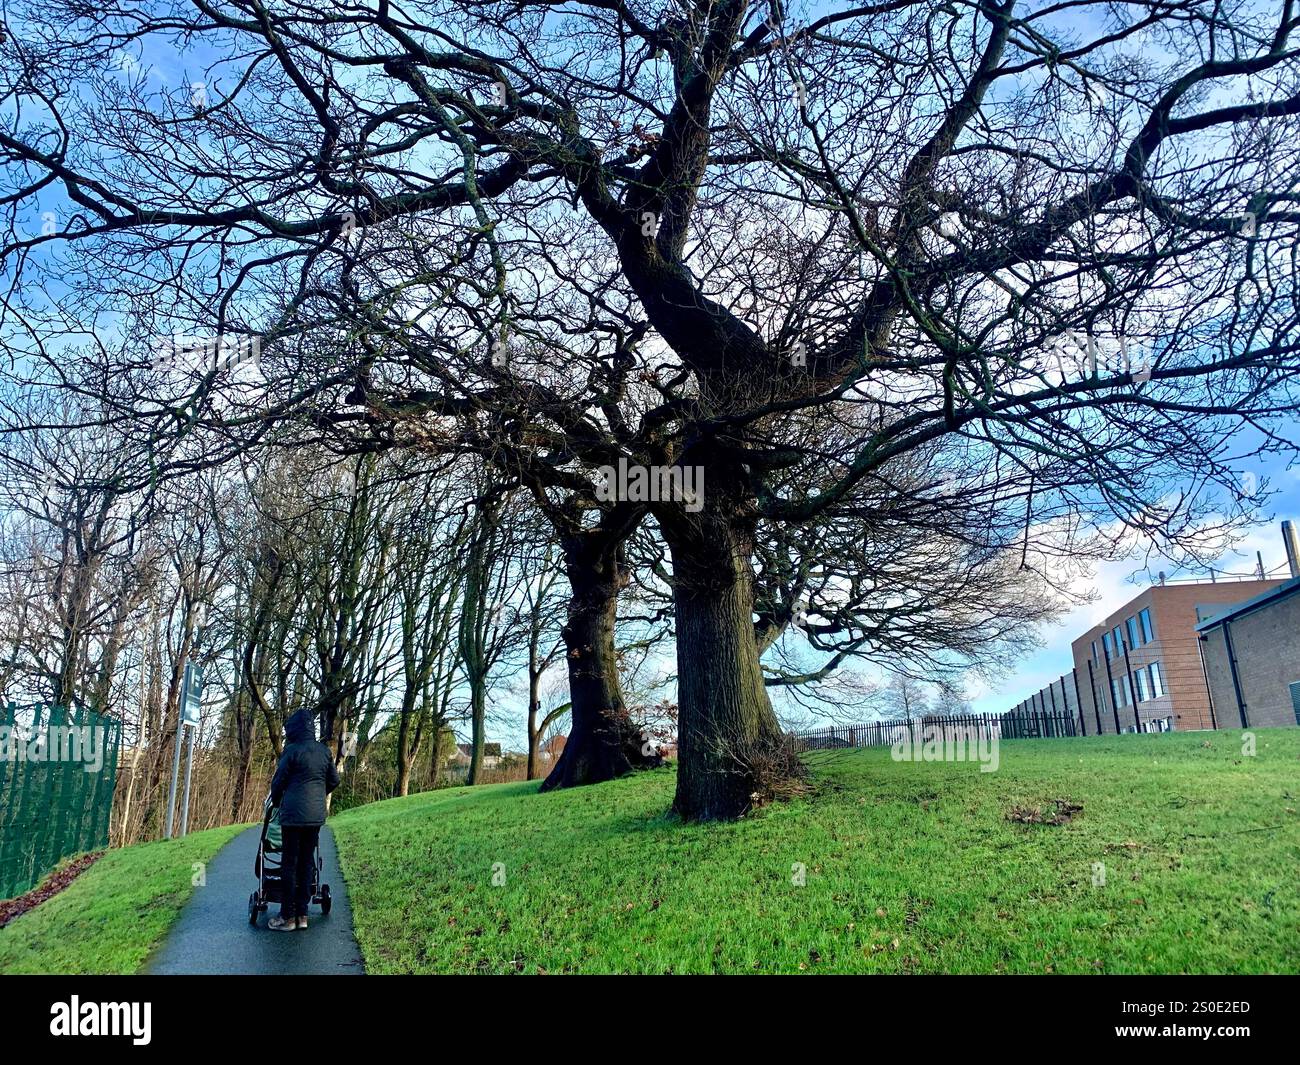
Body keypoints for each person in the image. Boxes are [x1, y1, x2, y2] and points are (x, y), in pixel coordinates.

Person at [267, 708, 340, 931]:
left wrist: (278, 802)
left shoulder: (291, 751)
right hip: (315, 817)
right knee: (307, 862)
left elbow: (277, 783)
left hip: (292, 816)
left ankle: (287, 917)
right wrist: (319, 794)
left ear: (293, 729)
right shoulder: (324, 751)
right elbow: (334, 781)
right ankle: (303, 915)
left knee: (289, 863)